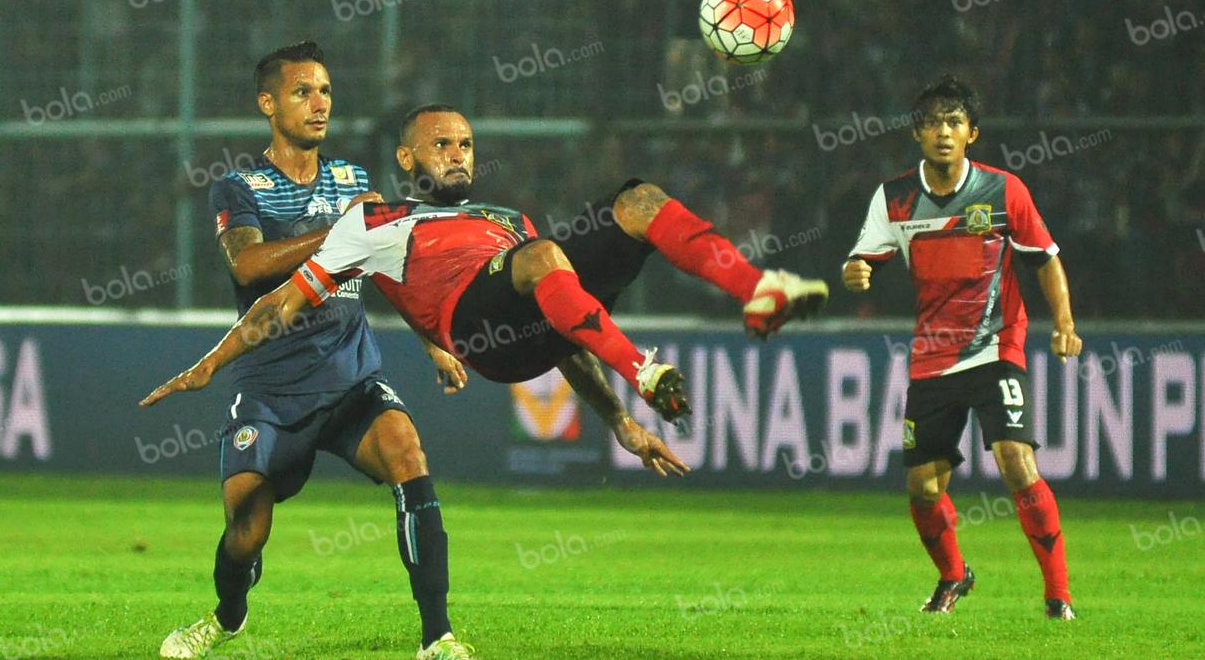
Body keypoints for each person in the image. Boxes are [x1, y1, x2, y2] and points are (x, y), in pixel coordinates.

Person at [141, 104, 829, 473]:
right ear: (408, 158)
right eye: (441, 145)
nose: (457, 154)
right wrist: (209, 364)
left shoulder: (507, 221)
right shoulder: (375, 219)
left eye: (466, 144)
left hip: (527, 304)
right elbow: (279, 301)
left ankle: (757, 288)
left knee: (638, 200)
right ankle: (646, 369)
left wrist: (617, 420)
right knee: (540, 258)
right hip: (480, 334)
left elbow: (565, 329)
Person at [151, 44, 474, 659]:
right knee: (245, 532)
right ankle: (227, 615)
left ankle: (438, 636)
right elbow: (247, 265)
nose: (319, 102)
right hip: (270, 391)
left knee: (408, 454)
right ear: (267, 104)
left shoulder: (354, 180)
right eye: (302, 92)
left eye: (325, 90)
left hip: (352, 378)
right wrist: (340, 232)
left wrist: (434, 343)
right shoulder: (240, 187)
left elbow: (387, 270)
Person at [841, 75, 1082, 620]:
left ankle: (1058, 595)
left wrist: (1064, 322)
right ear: (917, 134)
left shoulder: (1004, 190)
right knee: (923, 488)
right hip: (931, 356)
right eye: (932, 122)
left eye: (954, 122)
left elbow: (1043, 257)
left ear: (972, 132)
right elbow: (864, 258)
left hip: (997, 345)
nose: (943, 132)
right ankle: (953, 575)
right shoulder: (895, 198)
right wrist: (855, 271)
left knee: (1015, 461)